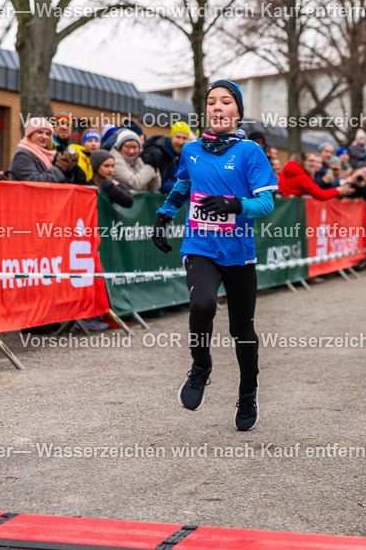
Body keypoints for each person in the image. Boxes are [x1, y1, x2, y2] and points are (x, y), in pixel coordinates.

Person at [150, 79, 277, 431]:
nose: (217, 107)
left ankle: (248, 391)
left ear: (238, 110)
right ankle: (200, 365)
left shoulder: (250, 151)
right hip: (199, 246)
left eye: (226, 101)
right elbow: (183, 186)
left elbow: (266, 203)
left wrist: (234, 204)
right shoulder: (191, 149)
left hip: (238, 252)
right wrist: (163, 216)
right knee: (202, 305)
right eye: (211, 102)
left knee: (242, 329)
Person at [9, 117, 79, 183]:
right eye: (40, 132)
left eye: (48, 134)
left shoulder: (49, 155)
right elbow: (34, 182)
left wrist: (69, 170)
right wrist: (60, 168)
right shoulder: (22, 155)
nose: (44, 137)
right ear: (30, 134)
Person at [278, 150, 354, 200]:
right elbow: (321, 195)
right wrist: (338, 191)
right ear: (302, 161)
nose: (314, 164)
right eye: (310, 161)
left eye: (315, 161)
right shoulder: (302, 177)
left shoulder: (292, 169)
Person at [143, 121, 192, 193]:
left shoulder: (183, 155)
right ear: (171, 137)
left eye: (184, 138)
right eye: (178, 137)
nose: (181, 142)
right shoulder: (158, 152)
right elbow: (158, 185)